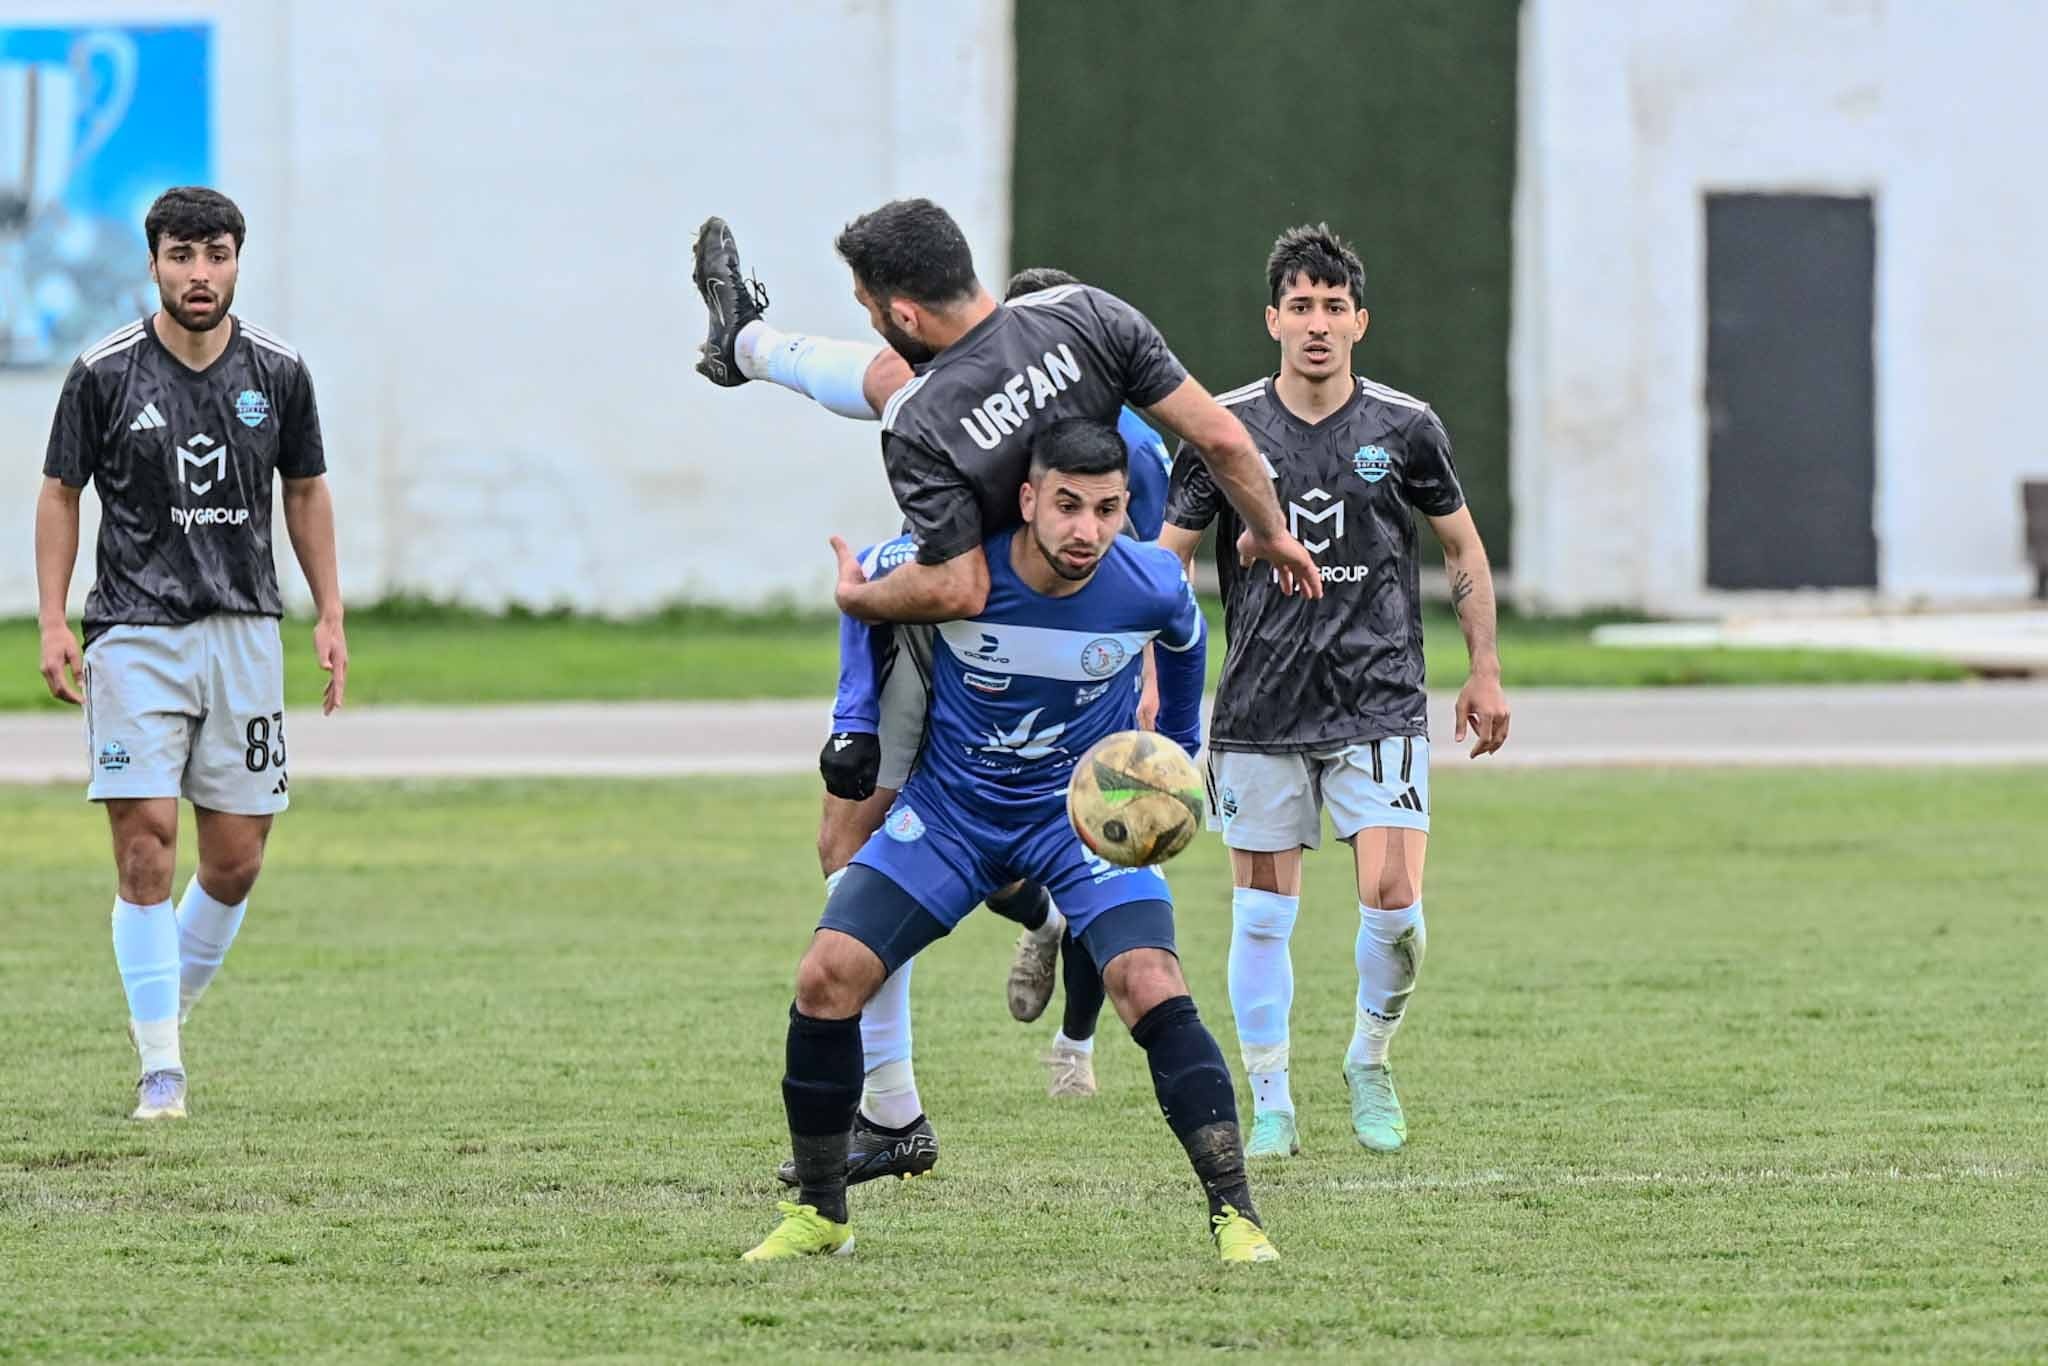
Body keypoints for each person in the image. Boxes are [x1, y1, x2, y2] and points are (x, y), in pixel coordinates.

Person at [691, 203, 1316, 1178]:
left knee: (857, 843)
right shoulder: (1089, 320)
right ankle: (898, 1102)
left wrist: (854, 600)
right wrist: (1271, 535)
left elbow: (946, 586)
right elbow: (1225, 454)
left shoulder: (925, 411)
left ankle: (897, 1104)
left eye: (870, 304)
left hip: (998, 633)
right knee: (860, 841)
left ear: (904, 309)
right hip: (1027, 640)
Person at [743, 419, 1276, 1264]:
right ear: (1027, 499)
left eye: (1106, 509)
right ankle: (821, 1214)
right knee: (826, 976)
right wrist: (853, 719)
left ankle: (1237, 1218)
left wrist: (1175, 751)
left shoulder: (1146, 582)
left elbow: (1186, 635)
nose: (1087, 530)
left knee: (1149, 982)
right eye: (1067, 505)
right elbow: (864, 587)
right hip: (950, 816)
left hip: (1076, 824)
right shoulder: (959, 568)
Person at [1159, 224, 1511, 1160]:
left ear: (1360, 322)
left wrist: (1483, 669)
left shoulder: (1406, 427)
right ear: (1272, 319)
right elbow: (1166, 562)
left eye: (1334, 307)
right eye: (1300, 306)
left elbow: (1462, 547)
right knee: (1262, 915)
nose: (1317, 323)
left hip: (1379, 697)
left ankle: (1369, 1058)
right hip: (1260, 707)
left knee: (1394, 900)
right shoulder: (1222, 431)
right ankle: (1271, 1101)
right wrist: (1148, 675)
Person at [32, 186, 347, 1121]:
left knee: (236, 861)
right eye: (181, 256)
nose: (199, 274)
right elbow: (59, 494)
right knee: (145, 849)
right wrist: (53, 619)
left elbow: (306, 490)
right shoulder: (103, 374)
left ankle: (161, 1007)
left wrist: (330, 611)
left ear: (238, 261)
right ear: (154, 264)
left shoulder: (278, 372)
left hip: (246, 632)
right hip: (134, 633)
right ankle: (160, 1068)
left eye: (215, 255)